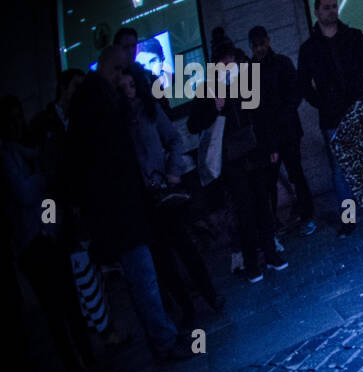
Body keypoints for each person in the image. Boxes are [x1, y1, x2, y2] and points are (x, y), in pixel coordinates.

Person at [66, 45, 191, 362]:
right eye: (122, 71)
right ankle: (164, 341)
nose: (124, 78)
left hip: (120, 209)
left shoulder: (96, 101)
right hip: (120, 211)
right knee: (144, 277)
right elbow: (99, 163)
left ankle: (163, 336)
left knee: (144, 277)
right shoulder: (96, 101)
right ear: (115, 69)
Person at [1, 94, 114, 372]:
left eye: (18, 117)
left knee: (70, 307)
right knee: (56, 313)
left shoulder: (28, 151)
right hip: (33, 243)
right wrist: (44, 176)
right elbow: (25, 192)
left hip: (48, 235)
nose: (16, 124)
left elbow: (39, 191)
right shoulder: (10, 155)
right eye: (10, 120)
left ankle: (91, 367)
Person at [119, 69, 221, 330]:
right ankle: (186, 308)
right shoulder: (119, 121)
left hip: (163, 189)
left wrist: (172, 170)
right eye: (123, 87)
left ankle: (210, 295)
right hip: (141, 198)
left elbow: (174, 139)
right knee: (163, 259)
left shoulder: (149, 110)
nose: (128, 91)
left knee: (185, 247)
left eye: (131, 85)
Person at [189, 29, 287, 283]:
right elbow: (193, 124)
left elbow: (263, 115)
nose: (228, 65)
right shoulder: (208, 89)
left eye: (230, 60)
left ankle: (269, 253)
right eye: (223, 62)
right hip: (232, 160)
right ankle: (252, 261)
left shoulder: (245, 82)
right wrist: (214, 108)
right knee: (245, 211)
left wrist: (271, 147)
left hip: (253, 152)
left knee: (262, 204)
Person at [298, 0, 363, 236]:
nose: (332, 10)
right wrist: (323, 102)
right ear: (317, 11)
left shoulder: (352, 37)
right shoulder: (309, 48)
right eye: (326, 7)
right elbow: (303, 84)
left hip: (357, 109)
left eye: (334, 6)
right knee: (340, 170)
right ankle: (349, 219)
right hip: (333, 115)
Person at [249, 26, 314, 232]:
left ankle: (284, 220)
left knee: (282, 177)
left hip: (278, 132)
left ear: (267, 41)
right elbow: (294, 93)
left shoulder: (257, 70)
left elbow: (294, 93)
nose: (260, 48)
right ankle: (303, 216)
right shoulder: (279, 63)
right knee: (289, 175)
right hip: (283, 130)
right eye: (256, 45)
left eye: (261, 44)